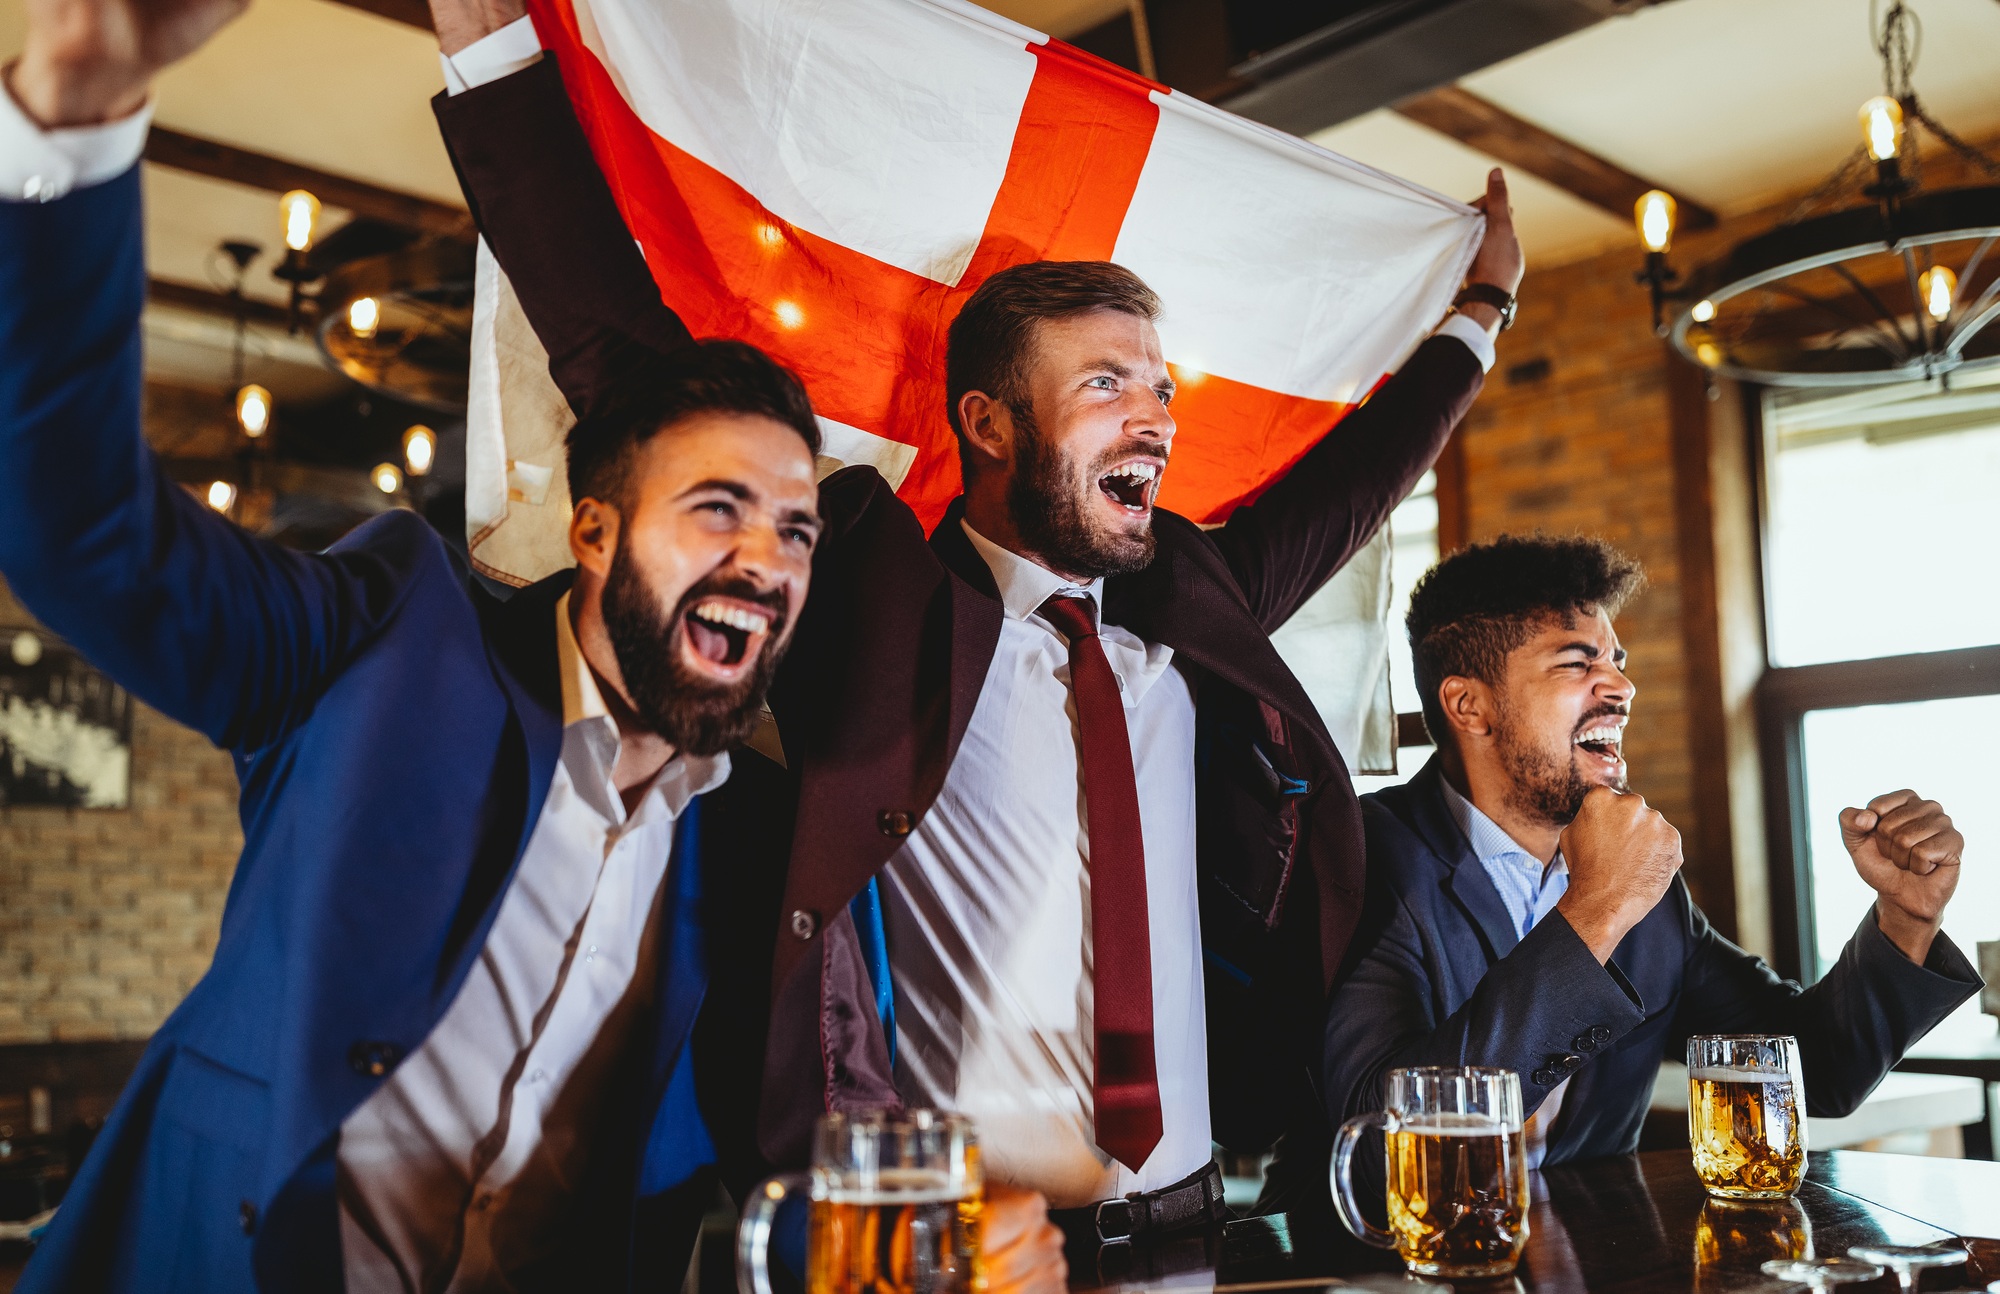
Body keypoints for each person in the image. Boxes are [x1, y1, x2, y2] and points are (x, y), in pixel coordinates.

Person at [423, 0, 1522, 1253]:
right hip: (947, 1254)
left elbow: (1350, 487)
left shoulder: (1189, 604)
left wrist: (1475, 319)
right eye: (1105, 384)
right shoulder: (864, 595)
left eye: (1158, 388)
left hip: (1192, 1234)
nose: (1154, 417)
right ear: (990, 425)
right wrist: (494, 55)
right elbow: (621, 357)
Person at [0, 0, 1069, 1286]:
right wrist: (71, 108)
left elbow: (752, 1189)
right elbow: (82, 533)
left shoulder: (750, 849)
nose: (766, 558)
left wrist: (925, 1255)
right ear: (598, 533)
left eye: (793, 529)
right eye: (715, 509)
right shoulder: (387, 642)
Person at [1324, 534, 1979, 1176]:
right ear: (1470, 705)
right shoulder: (1363, 855)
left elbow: (1815, 1070)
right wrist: (1598, 910)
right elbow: (1382, 1140)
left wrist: (1905, 917)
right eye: (1578, 664)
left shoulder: (1648, 887)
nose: (1621, 689)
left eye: (1618, 660)